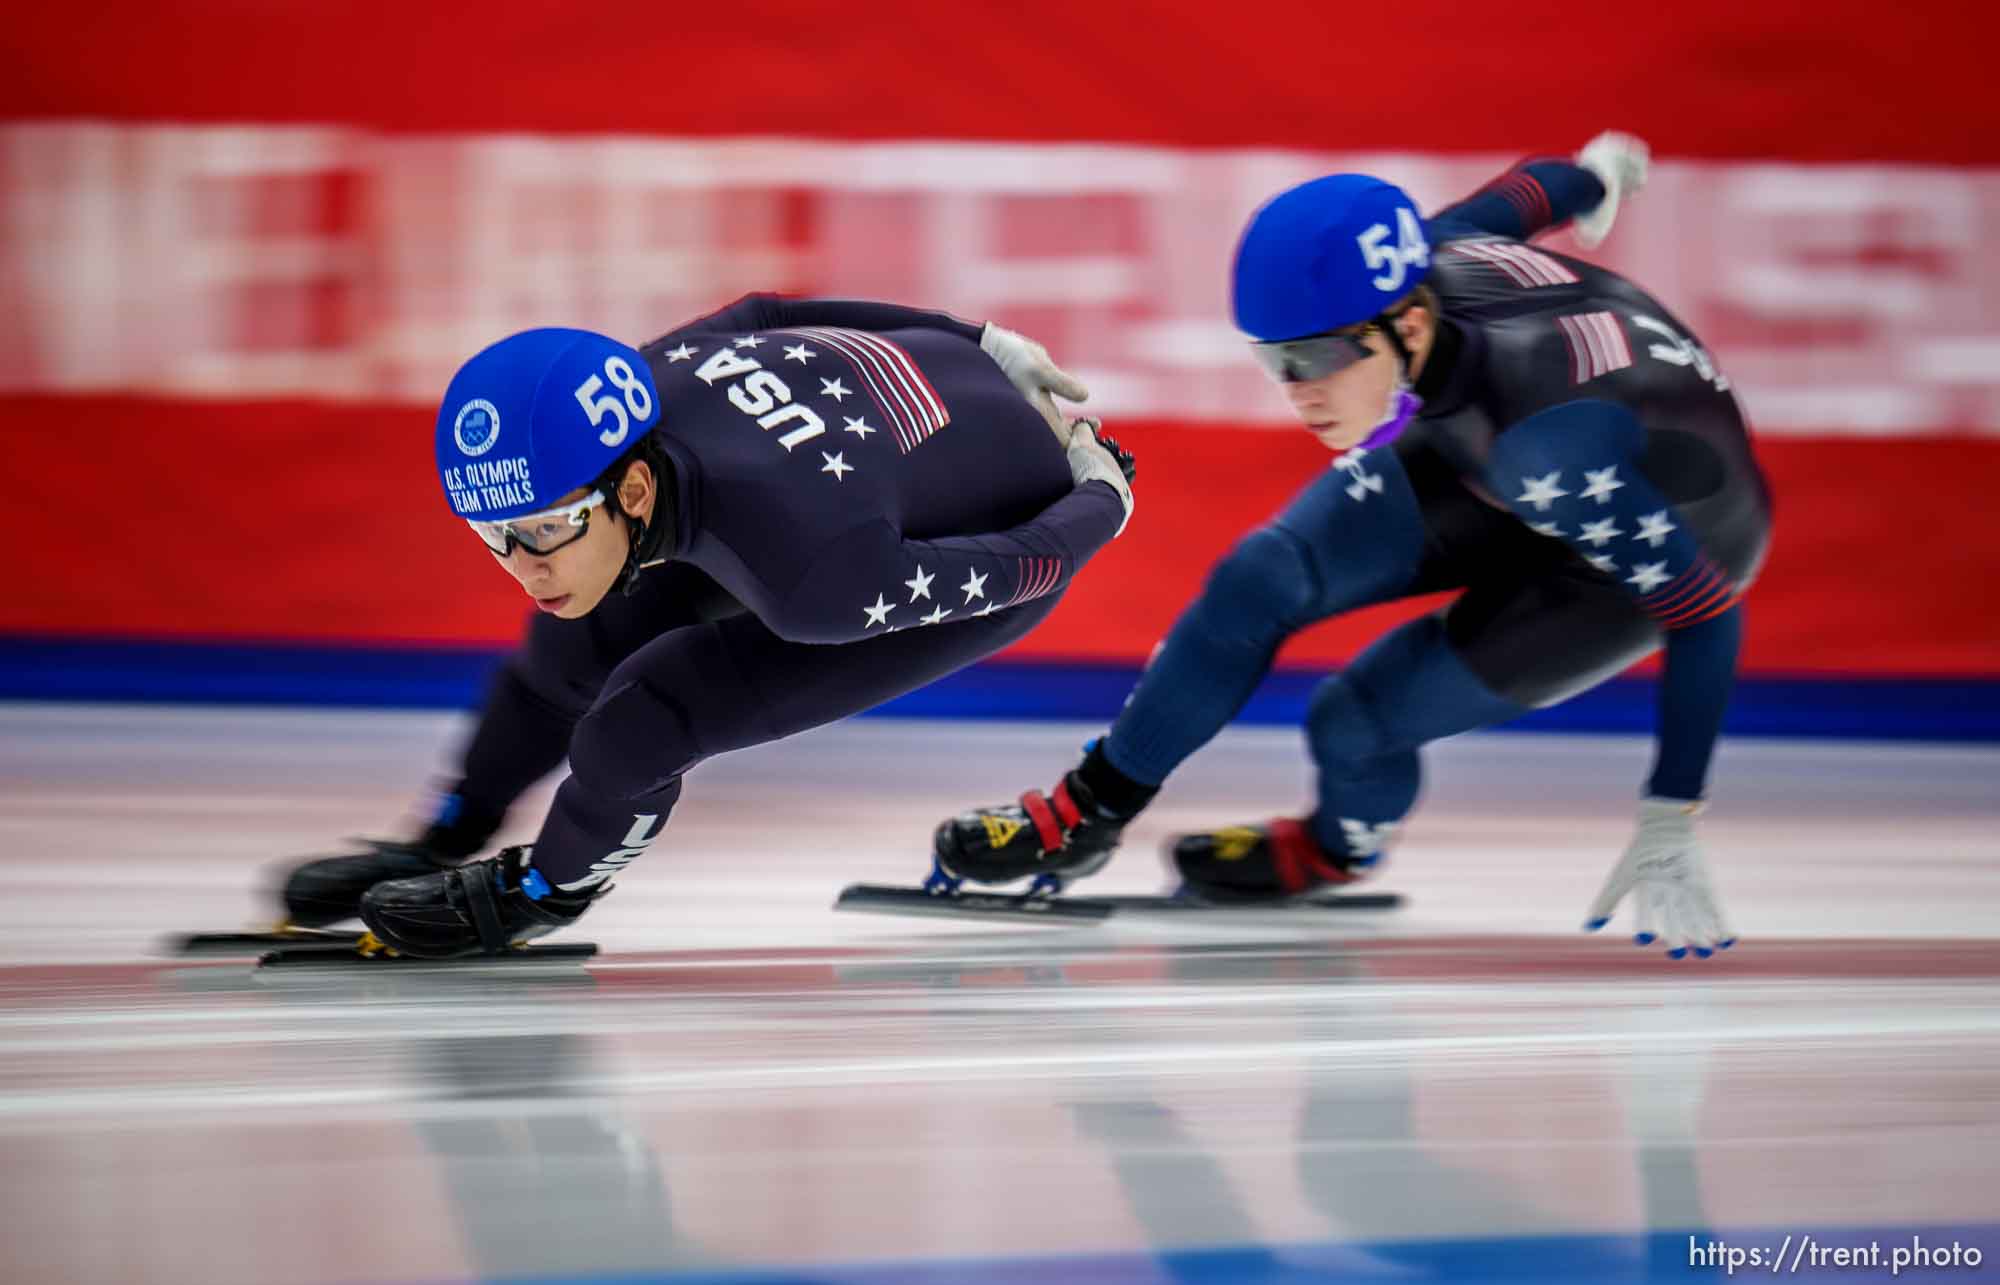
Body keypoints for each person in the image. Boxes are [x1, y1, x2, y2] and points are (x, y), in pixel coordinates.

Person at [936, 133, 1771, 959]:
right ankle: (1086, 814)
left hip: (1649, 535)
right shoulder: (1428, 258)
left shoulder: (1539, 439)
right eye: (1275, 360)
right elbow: (1528, 193)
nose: (1299, 391)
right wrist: (1594, 176)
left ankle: (1331, 850)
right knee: (1260, 577)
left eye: (1318, 356)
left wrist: (1672, 810)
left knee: (1357, 721)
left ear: (1407, 323)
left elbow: (1704, 613)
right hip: (1508, 440)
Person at [278, 295, 1131, 957]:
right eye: (494, 536)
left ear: (636, 493)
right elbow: (763, 312)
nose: (523, 564)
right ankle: (451, 832)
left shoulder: (818, 575)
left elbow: (1026, 565)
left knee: (647, 715)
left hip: (985, 535)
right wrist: (976, 335)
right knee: (568, 648)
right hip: (908, 414)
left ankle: (542, 892)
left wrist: (1100, 493)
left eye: (541, 531)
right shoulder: (645, 382)